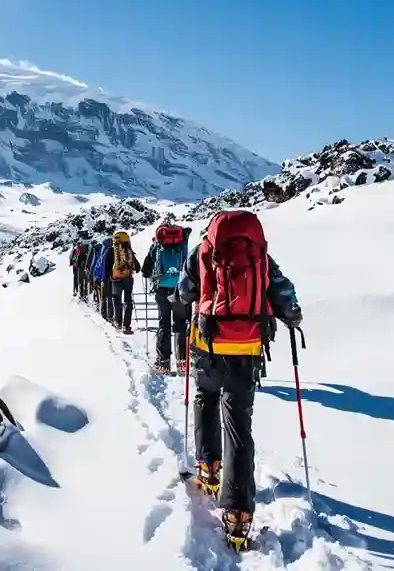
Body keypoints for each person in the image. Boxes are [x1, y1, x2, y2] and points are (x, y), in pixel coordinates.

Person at [177, 210, 301, 550]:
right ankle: (238, 512)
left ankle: (209, 468)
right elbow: (281, 291)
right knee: (239, 426)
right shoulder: (259, 252)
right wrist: (291, 314)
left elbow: (185, 293)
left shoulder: (202, 251)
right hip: (246, 347)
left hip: (208, 346)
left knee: (205, 399)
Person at [141, 223, 191, 374]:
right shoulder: (183, 243)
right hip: (179, 289)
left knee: (164, 324)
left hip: (162, 289)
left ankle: (163, 362)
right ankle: (182, 362)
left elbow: (145, 270)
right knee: (180, 324)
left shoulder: (156, 245)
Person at [106, 231, 140, 333]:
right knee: (128, 301)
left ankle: (117, 322)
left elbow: (108, 266)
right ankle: (126, 325)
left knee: (116, 300)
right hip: (128, 279)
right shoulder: (128, 250)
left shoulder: (112, 250)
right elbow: (137, 267)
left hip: (116, 279)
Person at [91, 236, 114, 321]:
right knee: (113, 297)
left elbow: (101, 267)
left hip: (105, 278)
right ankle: (113, 316)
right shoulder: (116, 251)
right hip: (116, 278)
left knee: (105, 297)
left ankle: (104, 314)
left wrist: (101, 278)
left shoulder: (105, 252)